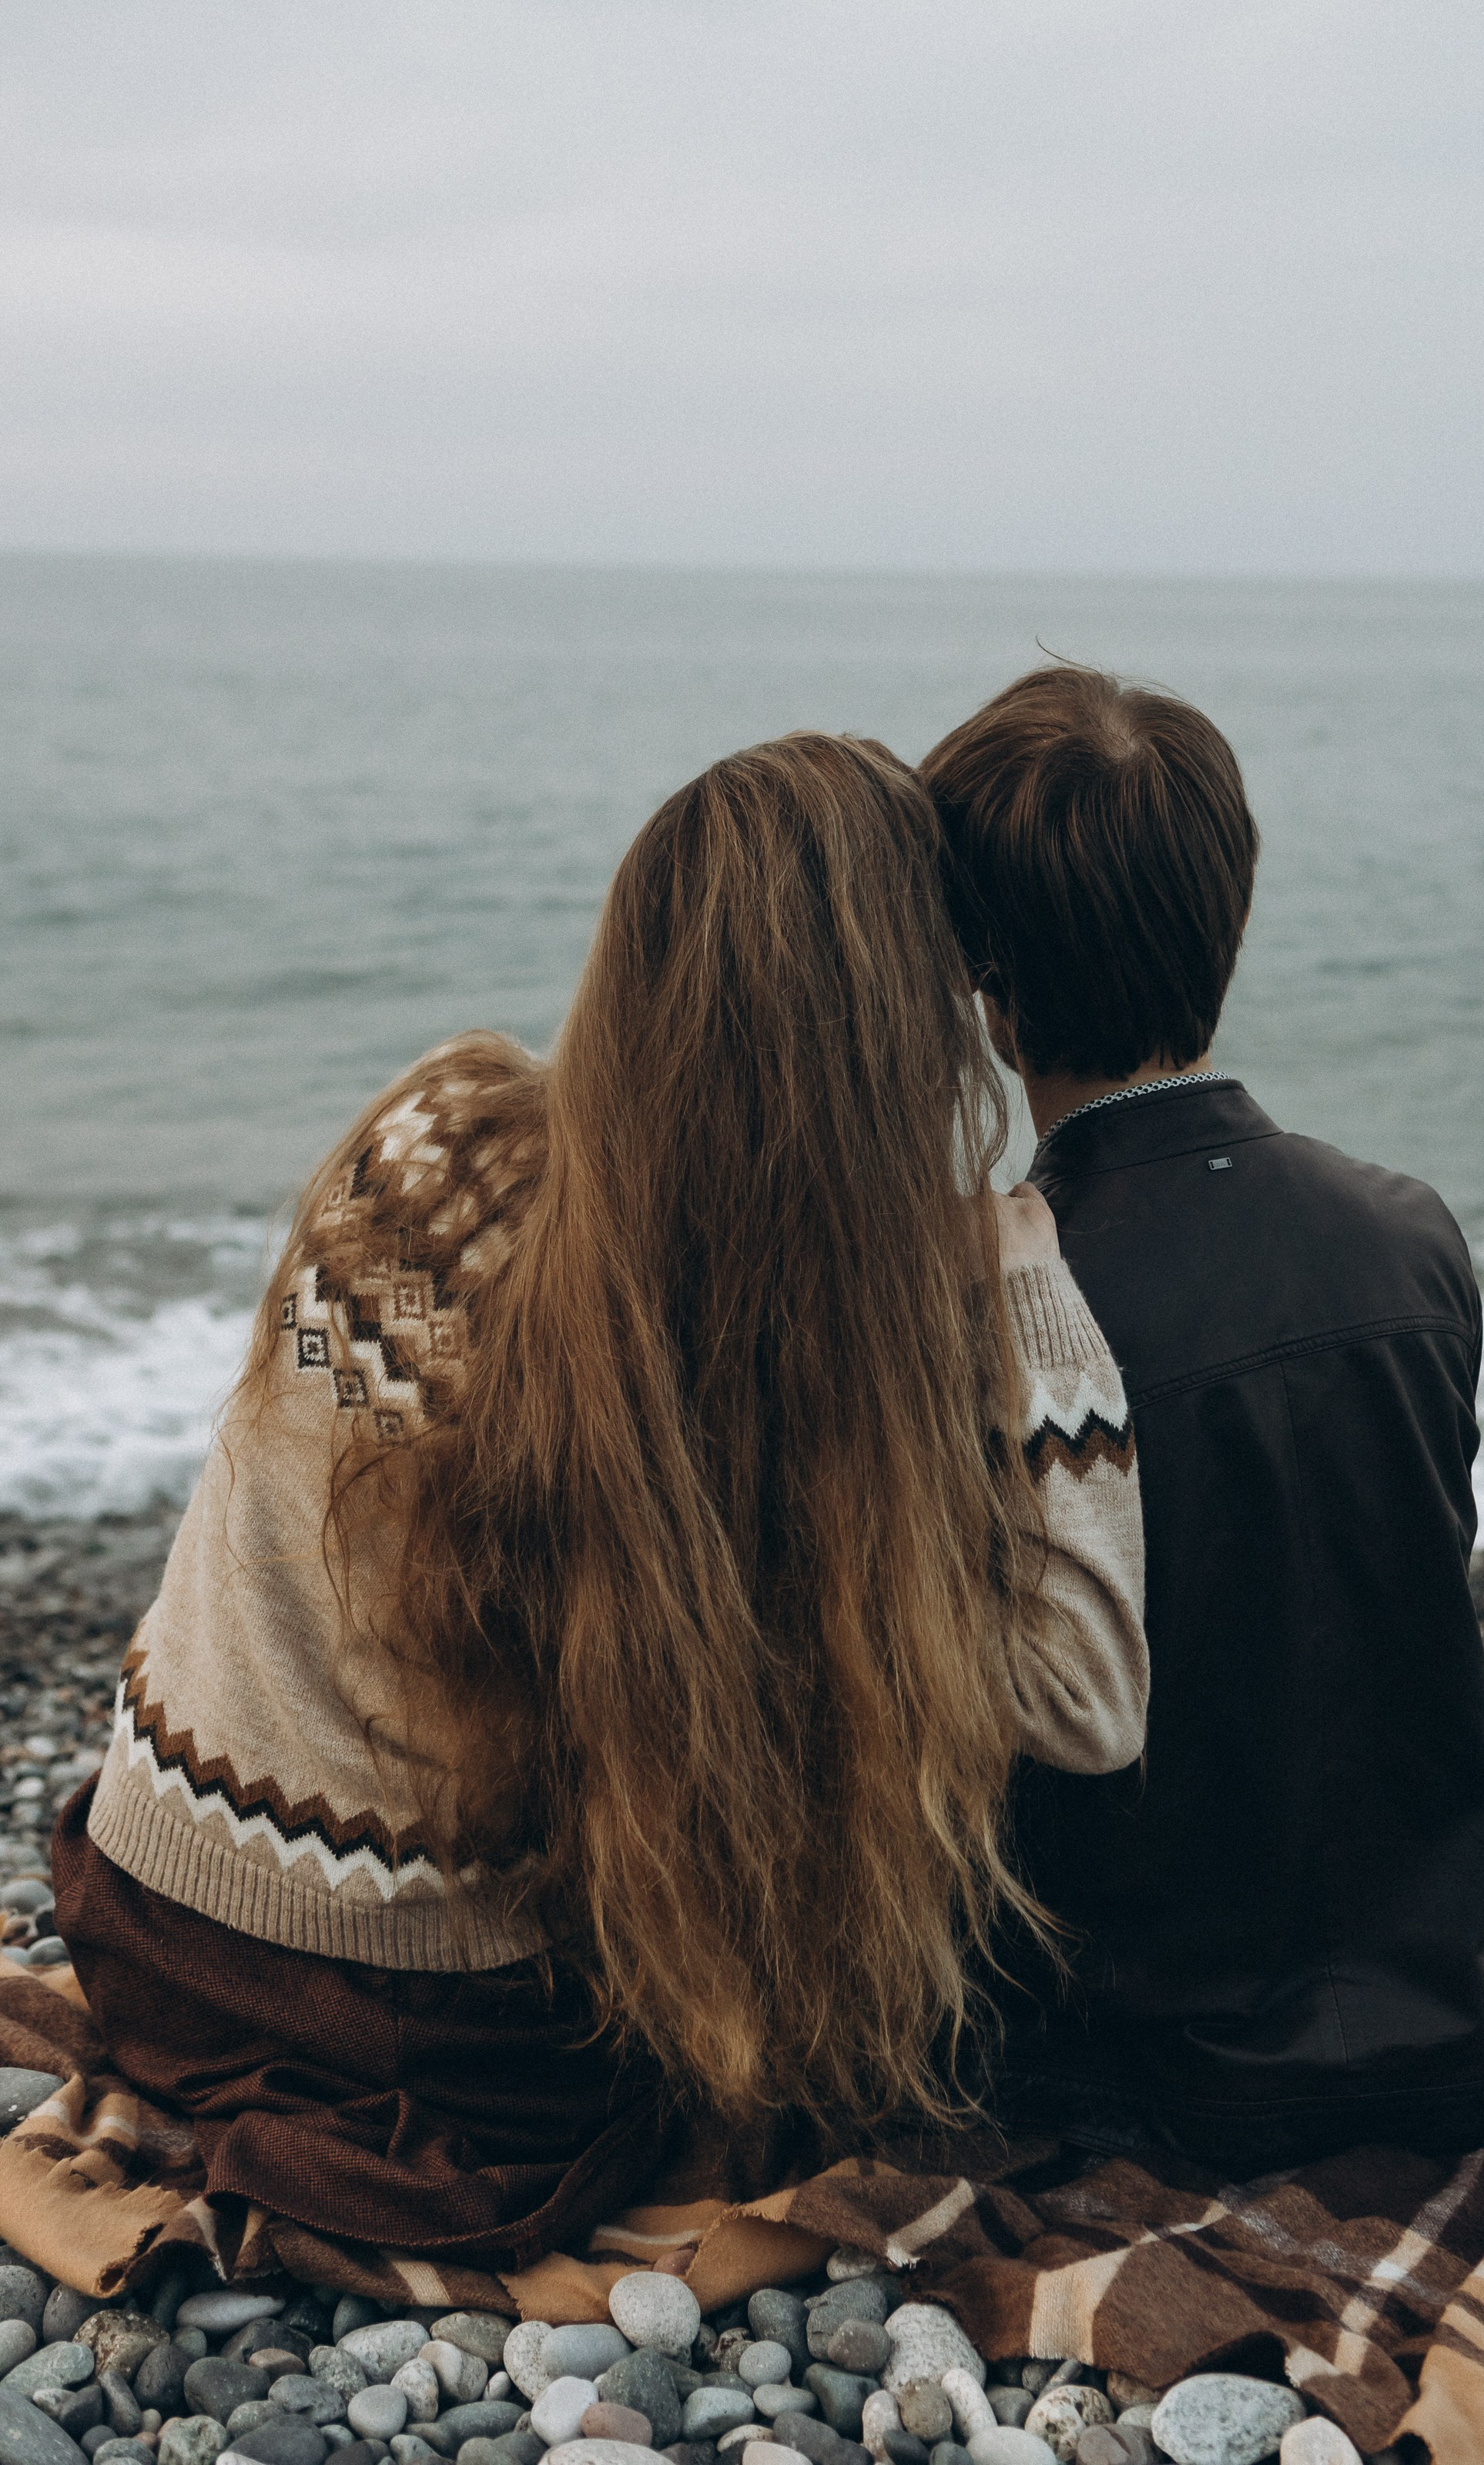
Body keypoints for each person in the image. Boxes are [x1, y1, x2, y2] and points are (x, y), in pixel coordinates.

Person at [54, 731, 1147, 2267]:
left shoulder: (428, 1145)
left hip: (149, 1920)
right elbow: (1089, 1701)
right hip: (440, 2047)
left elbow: (316, 1441)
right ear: (897, 1033)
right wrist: (1018, 1257)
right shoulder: (776, 1364)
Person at [923, 666, 1484, 2179]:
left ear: (984, 984)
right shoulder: (1409, 1239)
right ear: (1228, 921)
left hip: (1138, 2073)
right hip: (1445, 2030)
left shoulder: (989, 1312)